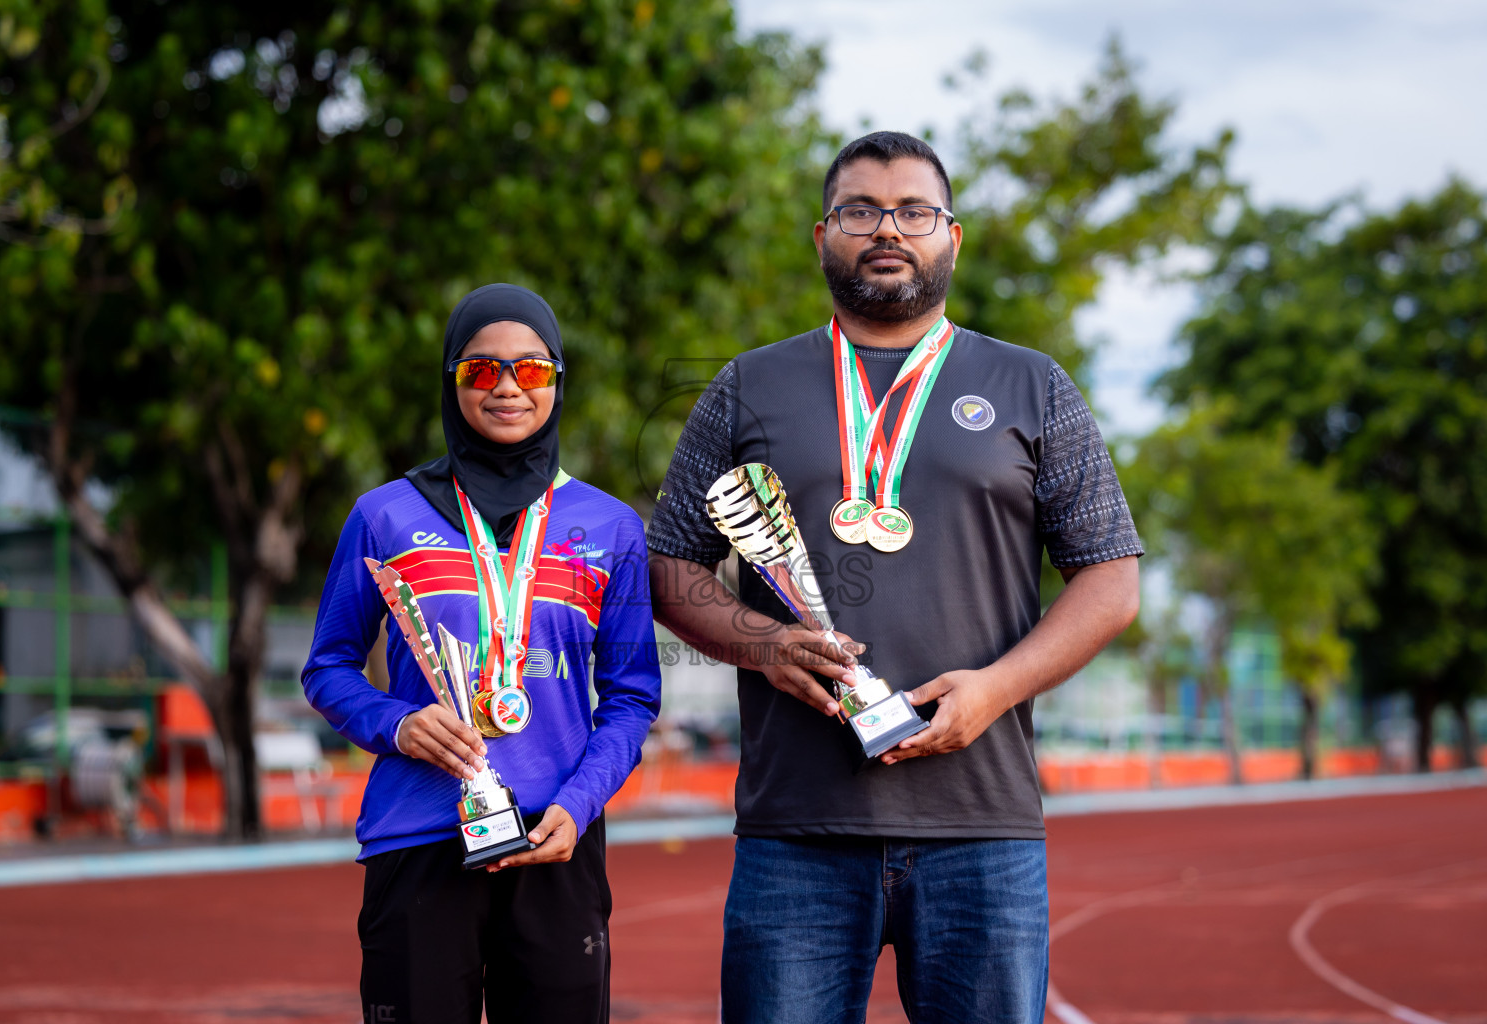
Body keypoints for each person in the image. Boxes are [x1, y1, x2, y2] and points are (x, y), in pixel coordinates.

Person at [648, 132, 1142, 1023]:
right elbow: (667, 561)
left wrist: (994, 691)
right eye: (859, 210)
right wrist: (761, 645)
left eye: (914, 210)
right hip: (796, 829)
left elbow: (1111, 578)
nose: (888, 228)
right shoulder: (743, 386)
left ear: (953, 236)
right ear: (821, 235)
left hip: (981, 829)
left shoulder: (1033, 385)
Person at [302, 284, 661, 1024]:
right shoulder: (384, 515)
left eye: (530, 371)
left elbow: (630, 698)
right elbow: (327, 667)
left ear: (557, 383)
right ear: (451, 380)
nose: (505, 388)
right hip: (421, 840)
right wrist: (397, 724)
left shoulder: (611, 526)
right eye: (480, 370)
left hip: (557, 843)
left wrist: (579, 803)